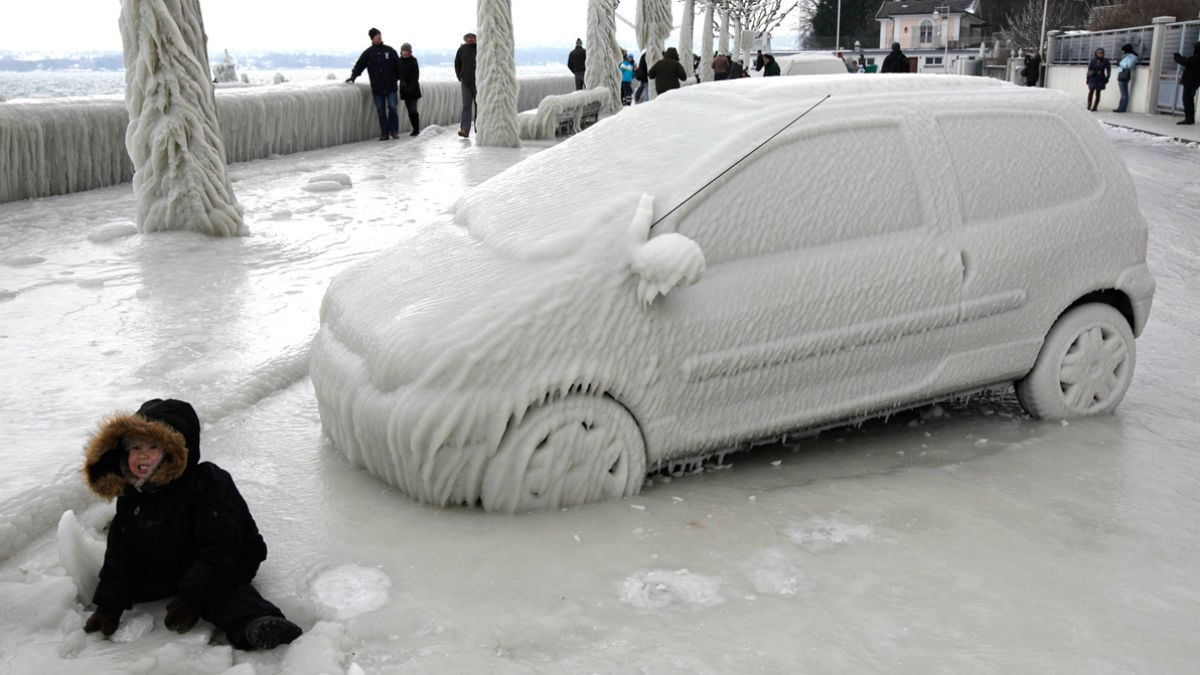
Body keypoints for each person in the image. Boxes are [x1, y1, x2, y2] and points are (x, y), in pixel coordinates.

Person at [81, 399, 302, 651]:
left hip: (227, 557)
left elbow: (222, 547)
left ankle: (258, 623)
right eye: (135, 447)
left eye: (153, 447)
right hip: (173, 562)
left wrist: (191, 597)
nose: (142, 455)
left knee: (223, 594)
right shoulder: (133, 497)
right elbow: (122, 555)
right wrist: (108, 606)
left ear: (174, 452)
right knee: (133, 582)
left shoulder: (207, 483)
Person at [346, 27, 402, 140]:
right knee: (381, 110)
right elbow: (359, 65)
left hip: (390, 85)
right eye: (377, 35)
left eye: (380, 34)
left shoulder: (389, 51)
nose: (379, 36)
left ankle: (394, 131)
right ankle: (384, 132)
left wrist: (400, 78)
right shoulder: (368, 53)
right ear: (372, 38)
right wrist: (353, 76)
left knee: (392, 108)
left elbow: (398, 65)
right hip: (377, 87)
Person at [455, 32, 477, 138]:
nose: (470, 39)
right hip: (466, 82)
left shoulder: (480, 48)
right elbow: (457, 63)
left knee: (479, 105)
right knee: (466, 105)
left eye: (473, 37)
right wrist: (460, 76)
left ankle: (479, 128)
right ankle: (464, 129)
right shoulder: (462, 49)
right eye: (468, 37)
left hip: (478, 81)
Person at [1173, 41, 1200, 125]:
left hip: (1191, 82)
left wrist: (1177, 57)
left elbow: (1186, 61)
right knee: (1189, 100)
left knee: (1187, 100)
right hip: (1193, 82)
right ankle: (1189, 118)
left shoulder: (1197, 57)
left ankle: (1189, 119)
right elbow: (1187, 60)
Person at [398, 42, 422, 136]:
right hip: (404, 89)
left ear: (410, 52)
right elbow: (398, 74)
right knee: (409, 110)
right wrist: (403, 84)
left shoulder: (413, 61)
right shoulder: (399, 61)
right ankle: (415, 128)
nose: (405, 52)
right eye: (403, 50)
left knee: (413, 109)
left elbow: (416, 75)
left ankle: (416, 129)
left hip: (413, 90)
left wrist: (411, 87)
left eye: (406, 51)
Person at [1085, 47, 1110, 112]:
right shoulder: (1093, 60)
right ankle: (1089, 105)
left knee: (1098, 92)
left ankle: (1095, 106)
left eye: (1102, 53)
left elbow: (1108, 69)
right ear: (1096, 53)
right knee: (1091, 91)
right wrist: (1087, 78)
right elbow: (1089, 69)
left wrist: (1107, 77)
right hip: (1093, 77)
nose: (1100, 54)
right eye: (1099, 53)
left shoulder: (1105, 60)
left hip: (1100, 77)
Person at [1113, 44, 1136, 113]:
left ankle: (1122, 108)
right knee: (1123, 93)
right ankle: (1120, 107)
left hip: (1124, 75)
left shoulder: (1132, 57)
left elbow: (1128, 65)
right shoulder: (1126, 56)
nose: (1122, 52)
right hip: (1121, 74)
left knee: (1124, 93)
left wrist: (1120, 63)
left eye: (1123, 50)